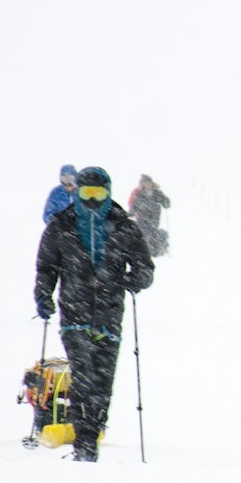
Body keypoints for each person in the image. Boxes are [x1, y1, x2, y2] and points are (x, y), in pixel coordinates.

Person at [33, 166, 154, 462]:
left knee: (103, 382)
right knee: (84, 376)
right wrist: (43, 295)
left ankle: (92, 432)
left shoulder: (124, 226)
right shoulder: (61, 226)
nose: (91, 200)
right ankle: (84, 443)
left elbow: (145, 267)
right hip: (74, 315)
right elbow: (46, 267)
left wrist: (132, 280)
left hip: (109, 317)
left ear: (108, 193)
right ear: (77, 194)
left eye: (98, 194)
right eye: (86, 193)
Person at [126, 173, 171, 257]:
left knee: (156, 235)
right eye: (144, 183)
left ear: (151, 183)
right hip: (142, 222)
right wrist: (129, 213)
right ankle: (147, 251)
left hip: (154, 221)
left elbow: (166, 203)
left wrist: (166, 202)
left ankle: (156, 250)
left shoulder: (157, 193)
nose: (146, 185)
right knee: (146, 236)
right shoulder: (139, 195)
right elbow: (134, 208)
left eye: (147, 183)